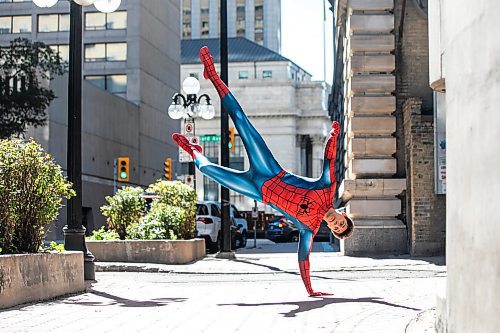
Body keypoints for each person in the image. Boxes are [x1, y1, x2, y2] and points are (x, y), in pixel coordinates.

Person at [173, 46, 354, 296]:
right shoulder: (327, 189)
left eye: (336, 228)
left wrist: (311, 291)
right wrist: (333, 135)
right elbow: (329, 161)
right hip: (270, 170)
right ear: (342, 214)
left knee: (207, 168)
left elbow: (303, 260)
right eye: (340, 222)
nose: (335, 223)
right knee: (242, 121)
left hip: (257, 190)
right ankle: (212, 75)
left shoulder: (307, 229)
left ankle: (194, 150)